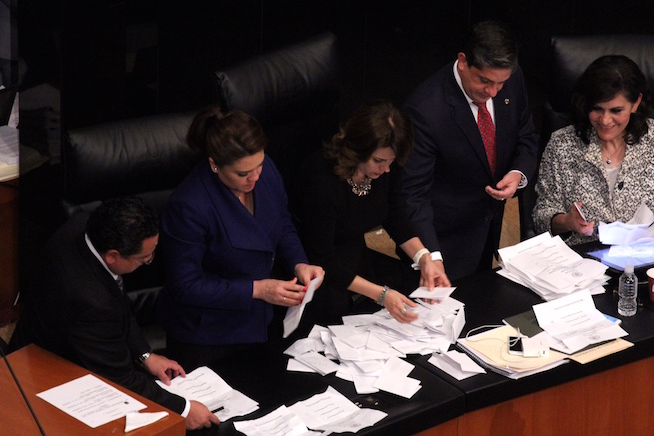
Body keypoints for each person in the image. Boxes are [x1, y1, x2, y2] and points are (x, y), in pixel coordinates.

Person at [9, 198, 219, 431]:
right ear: (112, 256)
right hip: (48, 371)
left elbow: (117, 299)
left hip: (56, 334)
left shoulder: (84, 224)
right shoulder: (91, 301)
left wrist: (145, 355)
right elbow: (118, 377)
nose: (150, 261)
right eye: (144, 258)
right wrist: (184, 409)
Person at [158, 105, 324, 369]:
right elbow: (186, 285)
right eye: (243, 174)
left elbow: (282, 221)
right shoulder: (188, 206)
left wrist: (299, 262)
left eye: (258, 165)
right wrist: (258, 289)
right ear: (214, 165)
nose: (255, 177)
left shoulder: (264, 171)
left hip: (261, 321)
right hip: (208, 334)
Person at [402, 20, 539, 279]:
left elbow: (527, 136)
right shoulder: (426, 110)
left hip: (489, 232)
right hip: (442, 242)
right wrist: (430, 255)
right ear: (463, 61)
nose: (493, 92)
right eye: (485, 81)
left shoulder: (511, 79)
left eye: (501, 83)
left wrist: (518, 174)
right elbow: (412, 194)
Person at [296, 100, 450, 328]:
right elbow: (322, 258)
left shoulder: (388, 165)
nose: (387, 169)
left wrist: (424, 258)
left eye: (391, 162)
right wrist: (381, 294)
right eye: (379, 161)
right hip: (315, 270)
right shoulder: (322, 181)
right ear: (357, 148)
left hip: (356, 255)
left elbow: (394, 214)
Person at [533, 55, 654, 245]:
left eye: (616, 111)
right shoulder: (562, 144)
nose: (605, 121)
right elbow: (541, 216)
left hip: (651, 259)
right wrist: (566, 222)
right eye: (597, 109)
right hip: (585, 264)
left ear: (635, 103)